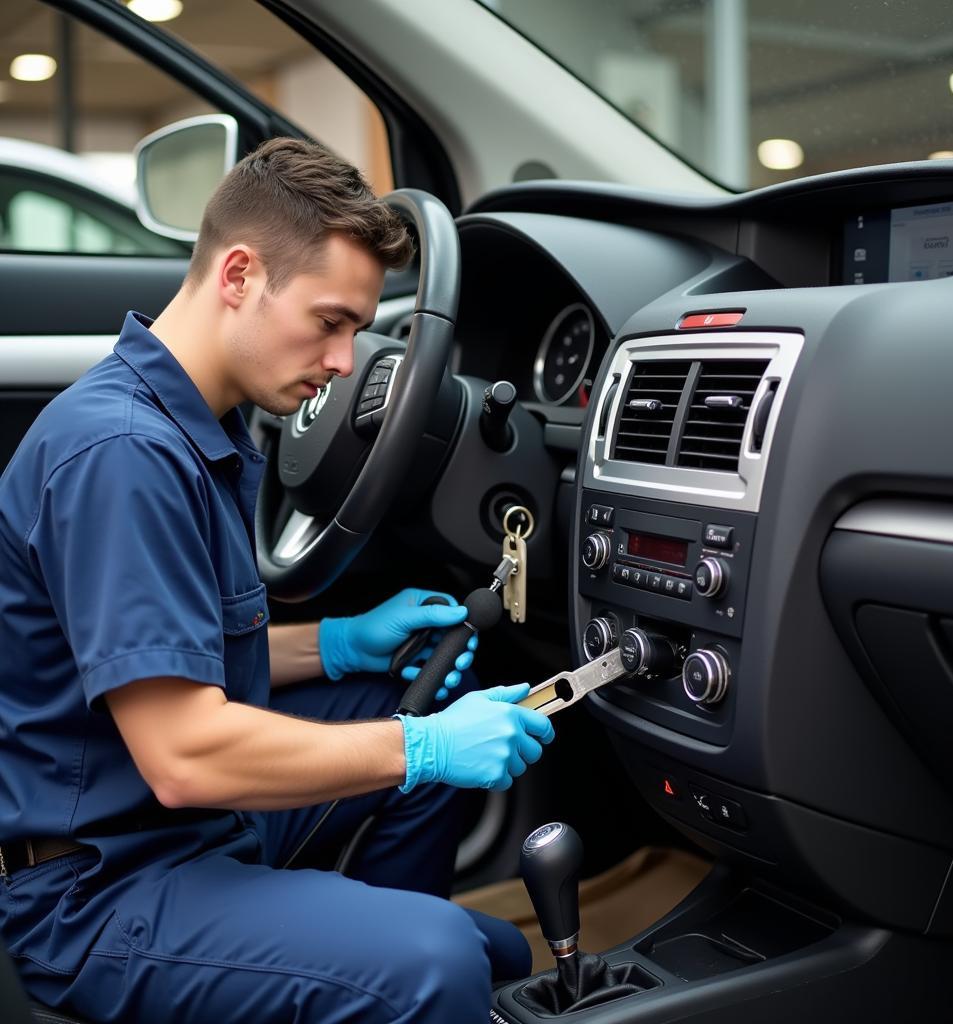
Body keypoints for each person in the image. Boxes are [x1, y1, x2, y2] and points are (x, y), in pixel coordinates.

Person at [0, 138, 555, 1023]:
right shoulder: (125, 455)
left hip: (173, 828)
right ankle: (394, 977)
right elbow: (182, 754)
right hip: (102, 887)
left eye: (358, 333)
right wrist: (423, 746)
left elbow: (167, 650)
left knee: (406, 688)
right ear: (238, 275)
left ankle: (371, 955)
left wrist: (339, 643)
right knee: (446, 960)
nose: (344, 362)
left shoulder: (185, 427)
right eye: (330, 321)